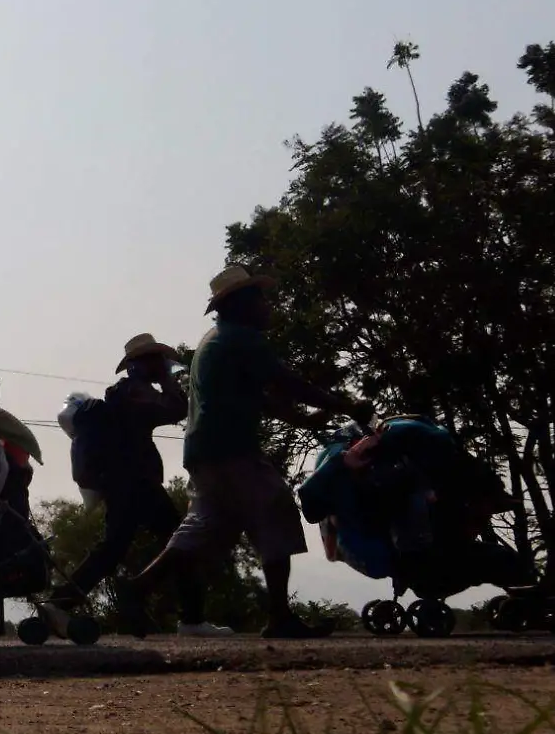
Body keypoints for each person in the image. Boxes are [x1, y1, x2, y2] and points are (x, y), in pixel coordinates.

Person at [117, 266, 371, 639]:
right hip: (232, 447)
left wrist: (308, 420)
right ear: (239, 304)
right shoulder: (241, 339)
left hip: (205, 450)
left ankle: (137, 589)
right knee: (275, 508)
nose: (267, 306)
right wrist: (346, 406)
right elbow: (286, 383)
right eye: (259, 299)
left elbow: (262, 398)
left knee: (203, 527)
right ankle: (280, 616)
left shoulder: (215, 341)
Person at [52, 333, 230, 637]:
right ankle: (191, 618)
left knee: (119, 546)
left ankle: (62, 601)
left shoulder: (128, 392)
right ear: (142, 363)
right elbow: (176, 410)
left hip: (127, 481)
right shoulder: (135, 392)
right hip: (135, 481)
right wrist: (168, 382)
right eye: (157, 360)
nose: (163, 364)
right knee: (178, 540)